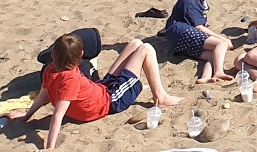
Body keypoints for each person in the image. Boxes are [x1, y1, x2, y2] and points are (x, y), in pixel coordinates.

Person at [20, 33, 184, 149]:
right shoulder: (70, 80)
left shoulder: (50, 69)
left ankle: (149, 87)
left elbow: (43, 97)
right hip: (111, 100)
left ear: (53, 55)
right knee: (146, 48)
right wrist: (50, 147)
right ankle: (160, 96)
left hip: (100, 88)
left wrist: (26, 117)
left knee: (135, 44)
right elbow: (58, 115)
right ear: (82, 55)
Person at [164, 0, 231, 84]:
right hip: (182, 33)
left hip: (178, 41)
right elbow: (199, 27)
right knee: (222, 44)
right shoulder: (188, 1)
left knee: (213, 55)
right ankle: (219, 71)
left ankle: (205, 77)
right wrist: (223, 39)